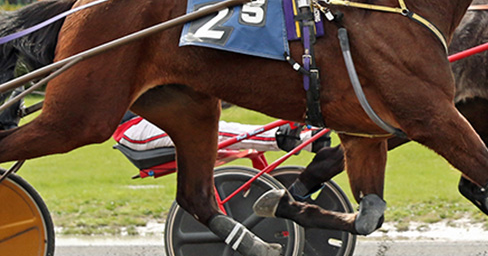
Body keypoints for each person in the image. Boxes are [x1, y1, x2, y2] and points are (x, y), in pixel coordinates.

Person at [113, 112, 330, 154]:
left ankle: (304, 140)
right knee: (205, 131)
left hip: (157, 117)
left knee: (218, 127)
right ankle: (283, 138)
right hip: (133, 129)